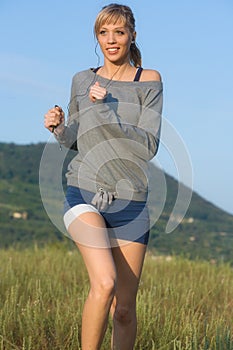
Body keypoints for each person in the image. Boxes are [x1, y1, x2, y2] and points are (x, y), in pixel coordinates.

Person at [44, 3, 163, 349]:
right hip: (83, 191)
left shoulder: (150, 80)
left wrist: (108, 109)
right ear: (97, 37)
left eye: (119, 32)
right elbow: (75, 140)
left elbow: (149, 145)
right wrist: (59, 128)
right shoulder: (82, 79)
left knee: (124, 309)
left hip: (132, 201)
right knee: (105, 283)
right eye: (103, 32)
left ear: (132, 36)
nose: (111, 40)